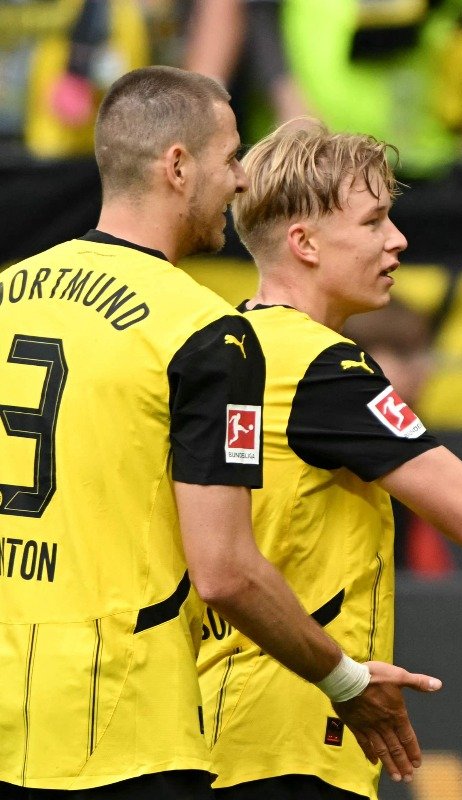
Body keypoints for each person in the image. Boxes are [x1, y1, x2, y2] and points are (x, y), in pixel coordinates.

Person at [0, 66, 438, 798]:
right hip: (124, 727)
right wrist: (345, 679)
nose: (240, 182)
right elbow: (224, 569)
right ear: (178, 167)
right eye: (232, 157)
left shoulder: (11, 295)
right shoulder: (204, 333)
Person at [203, 118, 462, 800]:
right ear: (304, 242)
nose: (398, 240)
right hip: (291, 740)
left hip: (209, 724)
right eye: (374, 222)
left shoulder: (219, 345)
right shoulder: (322, 369)